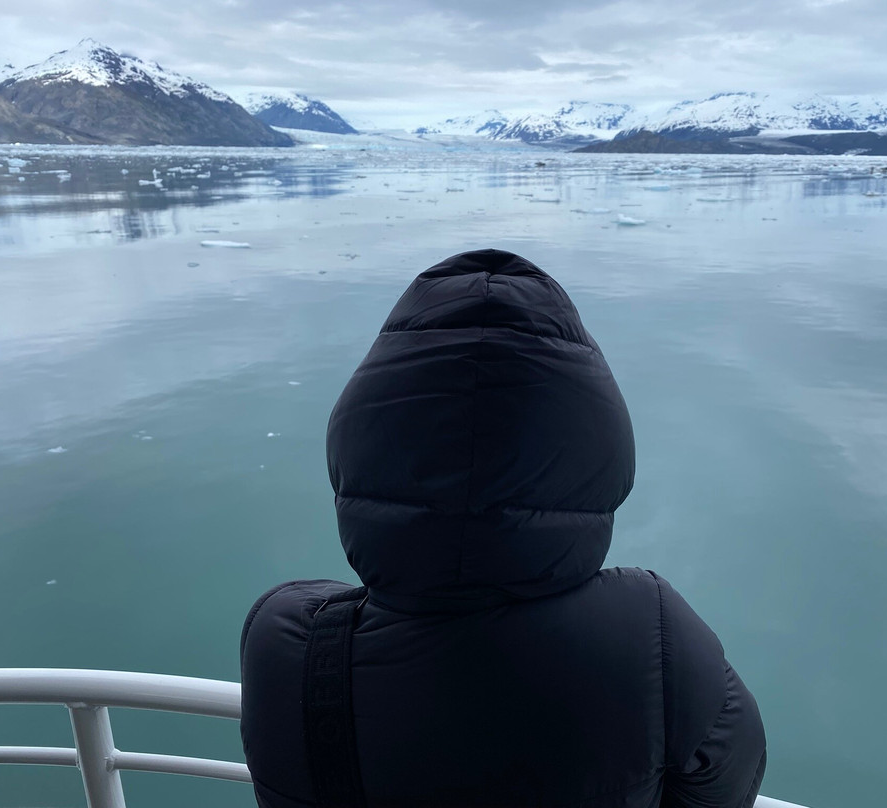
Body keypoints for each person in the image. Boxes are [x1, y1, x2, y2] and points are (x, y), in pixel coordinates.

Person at [240, 248, 766, 808]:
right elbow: (728, 783)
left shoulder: (286, 642)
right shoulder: (657, 640)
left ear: (360, 443)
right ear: (596, 450)